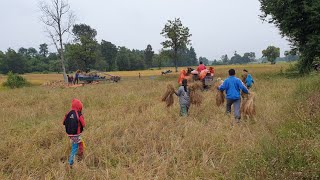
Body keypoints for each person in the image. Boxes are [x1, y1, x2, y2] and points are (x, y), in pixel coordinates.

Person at [63, 99, 86, 167]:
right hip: (76, 134)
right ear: (80, 106)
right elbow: (84, 124)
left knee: (80, 142)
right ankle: (70, 162)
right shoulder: (79, 114)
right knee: (74, 147)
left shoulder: (68, 113)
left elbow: (63, 122)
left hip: (69, 134)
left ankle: (81, 153)